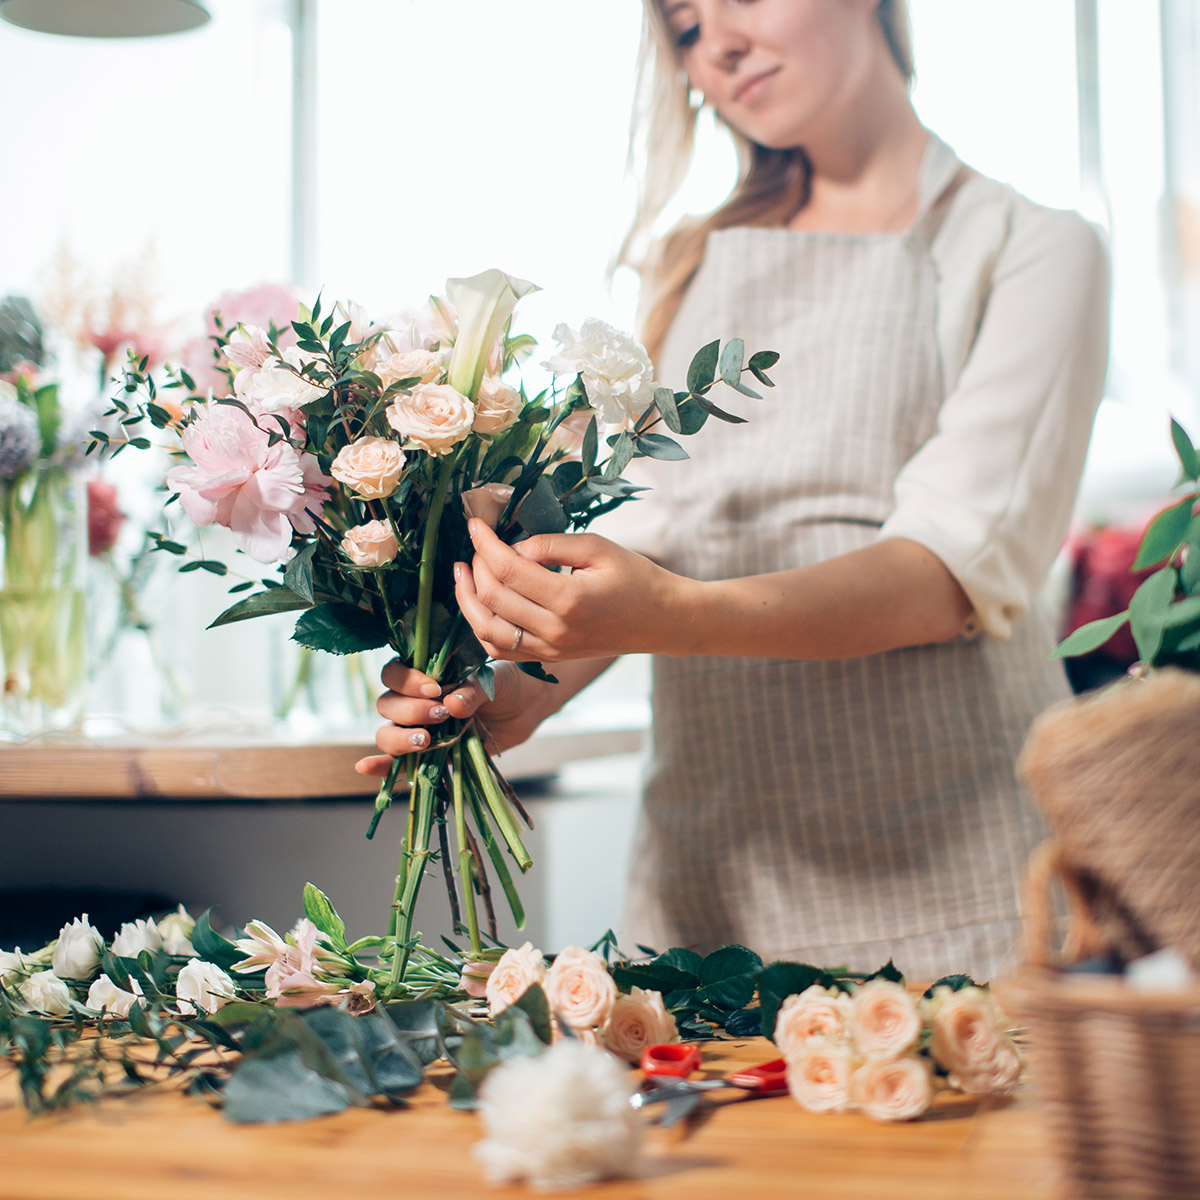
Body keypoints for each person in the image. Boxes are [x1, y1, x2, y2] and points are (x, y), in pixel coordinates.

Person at [357, 0, 1110, 980]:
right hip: (707, 902)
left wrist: (667, 610)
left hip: (961, 898)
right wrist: (517, 694)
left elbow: (944, 575)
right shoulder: (689, 264)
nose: (715, 42)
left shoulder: (1034, 249)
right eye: (681, 27)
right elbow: (650, 546)